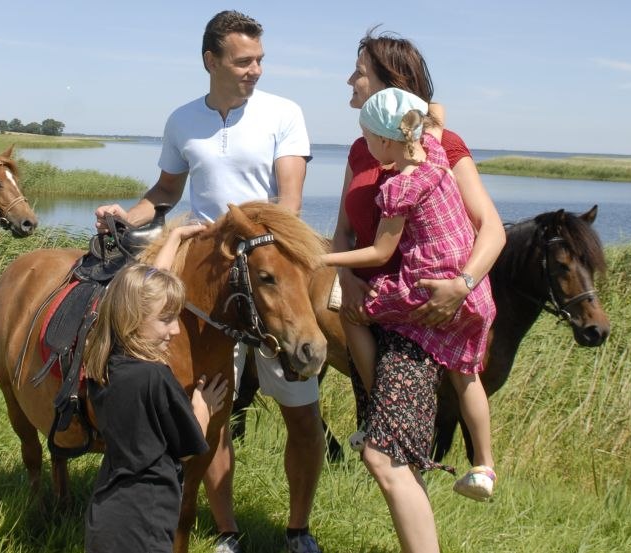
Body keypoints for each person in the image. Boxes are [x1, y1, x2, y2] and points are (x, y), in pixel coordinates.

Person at [94, 11, 323, 553]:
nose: (255, 70)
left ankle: (298, 530)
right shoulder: (181, 121)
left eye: (260, 60)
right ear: (210, 61)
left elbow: (288, 206)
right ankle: (226, 534)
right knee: (210, 411)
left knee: (302, 412)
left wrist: (248, 239)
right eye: (244, 61)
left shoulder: (283, 114)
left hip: (266, 276)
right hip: (202, 283)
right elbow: (167, 191)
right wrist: (129, 216)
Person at [328, 31, 506, 553]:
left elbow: (490, 228)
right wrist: (344, 281)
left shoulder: (440, 147)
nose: (349, 79)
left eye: (359, 70)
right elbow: (344, 229)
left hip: (422, 313)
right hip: (374, 312)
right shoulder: (363, 149)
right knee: (399, 456)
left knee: (386, 456)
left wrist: (461, 285)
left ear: (390, 83)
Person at [83, 224, 227, 553]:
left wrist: (174, 240)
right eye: (166, 319)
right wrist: (202, 408)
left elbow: (140, 292)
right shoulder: (154, 378)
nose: (175, 329)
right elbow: (188, 448)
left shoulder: (104, 363)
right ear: (134, 318)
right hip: (144, 523)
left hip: (107, 515)